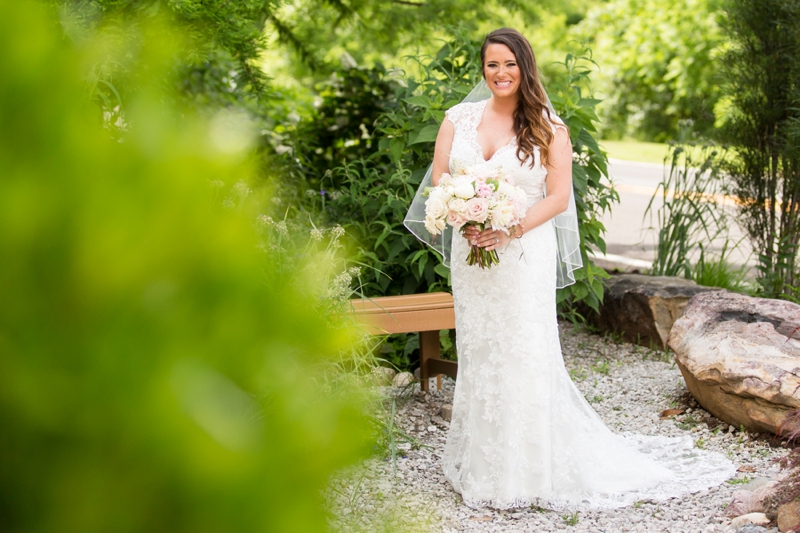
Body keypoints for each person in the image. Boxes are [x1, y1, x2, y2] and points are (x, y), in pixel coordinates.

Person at [411, 28, 734, 510]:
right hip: (472, 253)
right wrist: (463, 213)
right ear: (482, 69)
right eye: (491, 64)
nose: (500, 74)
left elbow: (558, 198)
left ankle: (528, 470)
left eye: (509, 65)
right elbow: (441, 177)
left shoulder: (546, 126)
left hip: (521, 254)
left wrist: (506, 229)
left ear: (525, 67)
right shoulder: (458, 118)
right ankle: (484, 463)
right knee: (480, 348)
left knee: (523, 349)